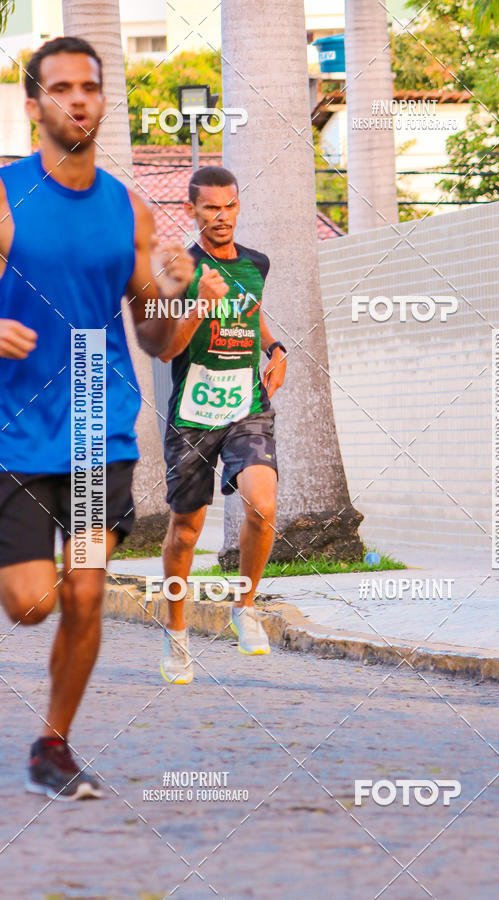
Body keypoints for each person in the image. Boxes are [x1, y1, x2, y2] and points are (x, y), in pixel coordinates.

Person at [0, 37, 194, 799]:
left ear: (103, 100)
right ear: (34, 105)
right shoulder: (7, 198)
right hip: (13, 434)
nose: (78, 100)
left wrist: (178, 297)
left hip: (95, 425)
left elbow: (155, 336)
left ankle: (55, 745)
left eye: (90, 87)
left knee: (83, 589)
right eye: (61, 88)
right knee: (30, 603)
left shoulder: (131, 209)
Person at [159, 165, 287, 682]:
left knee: (263, 503)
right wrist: (199, 307)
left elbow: (251, 313)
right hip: (192, 413)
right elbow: (166, 347)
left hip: (245, 405)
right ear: (192, 210)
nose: (221, 216)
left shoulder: (256, 263)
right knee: (186, 532)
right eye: (210, 207)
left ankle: (244, 606)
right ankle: (176, 633)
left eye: (230, 205)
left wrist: (274, 347)